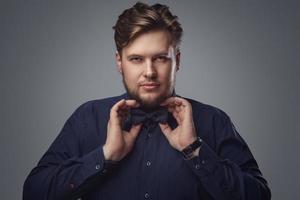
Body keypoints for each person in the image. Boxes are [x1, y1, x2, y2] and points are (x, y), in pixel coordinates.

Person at [23, 2, 271, 200]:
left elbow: (259, 195)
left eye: (161, 58)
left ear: (178, 61)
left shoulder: (214, 120)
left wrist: (195, 150)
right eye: (136, 59)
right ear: (119, 62)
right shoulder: (88, 117)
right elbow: (33, 192)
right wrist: (105, 156)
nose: (150, 72)